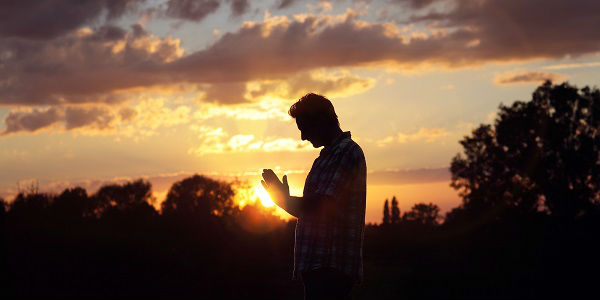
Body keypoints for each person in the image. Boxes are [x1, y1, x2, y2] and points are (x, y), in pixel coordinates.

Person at [261, 93, 367, 300]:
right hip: (319, 265)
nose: (302, 137)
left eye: (304, 129)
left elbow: (322, 205)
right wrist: (282, 200)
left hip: (331, 265)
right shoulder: (326, 157)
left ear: (320, 121)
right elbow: (309, 211)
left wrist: (284, 199)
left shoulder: (346, 152)